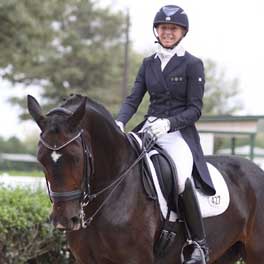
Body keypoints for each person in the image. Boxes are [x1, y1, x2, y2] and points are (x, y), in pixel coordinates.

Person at [115, 5, 216, 264]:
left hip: (178, 133)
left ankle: (198, 245)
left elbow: (195, 109)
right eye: (163, 28)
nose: (167, 32)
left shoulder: (193, 64)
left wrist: (169, 124)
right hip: (148, 129)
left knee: (182, 179)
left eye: (173, 29)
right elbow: (133, 98)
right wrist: (119, 121)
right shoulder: (148, 63)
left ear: (182, 32)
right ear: (156, 31)